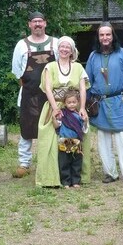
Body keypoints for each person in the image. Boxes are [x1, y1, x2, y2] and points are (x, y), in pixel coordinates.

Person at [85, 22, 123, 186]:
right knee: (103, 140)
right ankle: (110, 173)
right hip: (100, 103)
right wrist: (84, 105)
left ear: (112, 36)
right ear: (98, 37)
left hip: (119, 102)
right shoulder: (93, 56)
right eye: (102, 35)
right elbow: (87, 81)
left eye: (108, 34)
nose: (105, 38)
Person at [35, 36, 90, 187]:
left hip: (74, 106)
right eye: (62, 46)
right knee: (50, 141)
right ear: (57, 49)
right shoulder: (50, 66)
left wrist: (83, 108)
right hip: (55, 106)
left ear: (72, 50)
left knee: (76, 139)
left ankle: (76, 177)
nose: (64, 49)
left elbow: (82, 89)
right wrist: (55, 108)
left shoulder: (78, 67)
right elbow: (47, 88)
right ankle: (50, 178)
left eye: (68, 47)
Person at [11, 11, 58, 178]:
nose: (37, 24)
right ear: (29, 24)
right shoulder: (21, 46)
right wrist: (30, 87)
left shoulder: (56, 43)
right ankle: (24, 163)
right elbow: (17, 72)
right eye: (34, 22)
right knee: (27, 128)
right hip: (29, 95)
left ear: (45, 23)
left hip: (53, 96)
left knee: (55, 127)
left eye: (40, 21)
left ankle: (54, 160)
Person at [51, 90, 88, 188]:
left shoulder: (79, 115)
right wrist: (54, 118)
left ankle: (76, 181)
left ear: (78, 102)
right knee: (64, 162)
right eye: (69, 102)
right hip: (65, 141)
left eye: (74, 102)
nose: (71, 104)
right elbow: (56, 126)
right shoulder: (62, 114)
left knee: (77, 162)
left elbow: (84, 129)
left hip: (76, 142)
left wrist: (85, 121)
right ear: (65, 103)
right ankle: (66, 182)